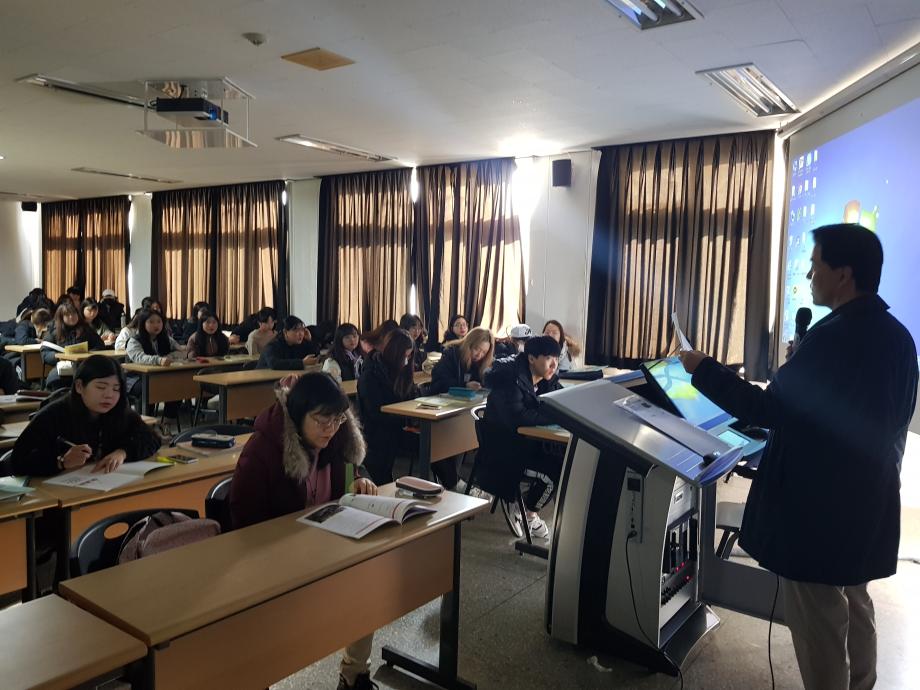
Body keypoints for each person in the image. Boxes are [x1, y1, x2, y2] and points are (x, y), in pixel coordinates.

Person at [678, 224, 917, 690]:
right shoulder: (899, 337)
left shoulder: (832, 339)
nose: (808, 275)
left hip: (818, 514)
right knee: (855, 601)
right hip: (867, 504)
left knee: (819, 625)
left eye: (815, 265)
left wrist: (702, 368)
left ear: (843, 274)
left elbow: (766, 409)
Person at [229, 372, 378, 690]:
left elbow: (351, 465)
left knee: (366, 581)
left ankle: (355, 675)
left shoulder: (337, 437)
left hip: (323, 547)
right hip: (274, 558)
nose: (330, 429)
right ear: (298, 414)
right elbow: (244, 523)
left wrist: (360, 477)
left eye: (337, 419)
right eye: (321, 420)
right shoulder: (263, 451)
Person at [10, 355, 160, 476]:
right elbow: (18, 461)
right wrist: (61, 461)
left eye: (116, 389)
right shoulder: (54, 414)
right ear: (79, 386)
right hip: (60, 492)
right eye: (101, 387)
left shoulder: (119, 410)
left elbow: (152, 438)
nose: (109, 395)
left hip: (104, 483)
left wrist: (123, 452)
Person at [483, 336, 564, 538]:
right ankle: (527, 511)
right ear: (531, 358)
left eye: (556, 358)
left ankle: (524, 506)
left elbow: (560, 400)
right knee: (553, 474)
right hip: (505, 449)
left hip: (529, 443)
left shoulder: (546, 378)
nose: (554, 364)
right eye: (548, 358)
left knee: (566, 463)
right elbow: (518, 417)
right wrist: (555, 416)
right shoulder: (509, 379)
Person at [427, 327, 495, 491]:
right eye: (477, 349)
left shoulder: (480, 363)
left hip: (462, 410)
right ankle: (454, 483)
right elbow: (439, 382)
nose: (479, 354)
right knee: (441, 446)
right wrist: (463, 385)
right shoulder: (451, 353)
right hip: (440, 409)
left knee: (464, 437)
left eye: (484, 352)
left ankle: (456, 484)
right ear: (469, 344)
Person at [357, 329, 420, 485]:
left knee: (435, 441)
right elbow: (375, 413)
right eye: (404, 356)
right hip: (378, 433)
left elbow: (412, 398)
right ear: (394, 354)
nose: (407, 360)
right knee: (425, 444)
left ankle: (450, 482)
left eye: (409, 356)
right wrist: (406, 420)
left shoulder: (403, 371)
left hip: (398, 427)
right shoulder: (370, 375)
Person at [42, 303, 105, 390]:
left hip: (84, 367)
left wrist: (88, 354)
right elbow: (45, 352)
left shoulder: (86, 329)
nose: (71, 317)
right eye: (67, 315)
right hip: (63, 368)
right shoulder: (54, 331)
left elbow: (100, 345)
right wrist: (58, 357)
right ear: (61, 317)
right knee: (55, 380)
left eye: (74, 313)